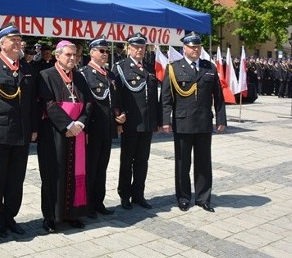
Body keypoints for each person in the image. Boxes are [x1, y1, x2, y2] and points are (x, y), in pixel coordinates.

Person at [0, 23, 38, 238]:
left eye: (19, 40)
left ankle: (11, 216)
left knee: (16, 179)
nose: (18, 43)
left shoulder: (27, 69)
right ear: (2, 44)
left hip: (21, 134)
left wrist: (34, 128)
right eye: (13, 40)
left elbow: (32, 103)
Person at [161, 32, 226, 212]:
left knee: (204, 162)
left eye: (197, 47)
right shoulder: (174, 68)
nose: (195, 50)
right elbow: (166, 97)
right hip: (183, 122)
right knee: (182, 163)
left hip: (204, 122)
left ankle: (203, 198)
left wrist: (221, 118)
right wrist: (166, 120)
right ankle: (183, 197)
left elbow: (218, 97)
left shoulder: (209, 67)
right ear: (184, 49)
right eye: (191, 47)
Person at [37, 40, 93, 231]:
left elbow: (89, 103)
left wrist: (81, 123)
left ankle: (72, 214)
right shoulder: (46, 75)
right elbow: (48, 104)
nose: (72, 59)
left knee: (75, 173)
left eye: (74, 55)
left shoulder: (79, 77)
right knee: (54, 175)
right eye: (68, 55)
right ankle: (51, 217)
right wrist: (68, 124)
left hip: (77, 131)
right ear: (57, 55)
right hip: (55, 133)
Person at [113, 33, 162, 210]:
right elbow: (116, 95)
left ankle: (138, 194)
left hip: (147, 122)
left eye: (142, 47)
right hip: (131, 122)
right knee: (127, 160)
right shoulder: (120, 67)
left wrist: (156, 120)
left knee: (142, 160)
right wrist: (119, 116)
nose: (139, 50)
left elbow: (153, 97)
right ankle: (124, 194)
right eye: (135, 47)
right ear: (128, 48)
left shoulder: (149, 67)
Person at [78, 37, 124, 218]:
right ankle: (88, 204)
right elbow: (83, 105)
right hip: (92, 130)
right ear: (92, 52)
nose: (105, 54)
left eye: (107, 51)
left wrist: (119, 118)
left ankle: (99, 202)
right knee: (90, 168)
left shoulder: (110, 75)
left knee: (102, 168)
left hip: (107, 128)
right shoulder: (84, 74)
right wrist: (85, 130)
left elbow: (115, 101)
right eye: (101, 51)